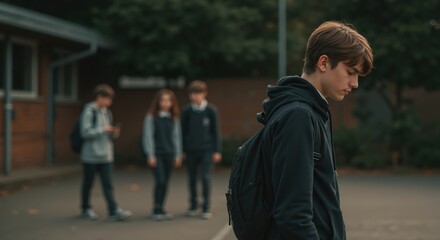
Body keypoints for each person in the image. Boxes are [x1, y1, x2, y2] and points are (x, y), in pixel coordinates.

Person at [262, 21, 373, 239]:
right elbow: (293, 214)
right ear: (323, 62)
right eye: (350, 72)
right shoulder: (299, 116)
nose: (355, 83)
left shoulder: (309, 110)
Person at [79, 84, 132, 221]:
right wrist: (103, 129)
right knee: (88, 183)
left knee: (108, 184)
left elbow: (109, 135)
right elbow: (85, 132)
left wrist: (114, 132)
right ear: (99, 97)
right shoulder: (89, 111)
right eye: (107, 99)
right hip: (90, 155)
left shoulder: (107, 112)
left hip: (106, 155)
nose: (109, 103)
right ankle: (86, 208)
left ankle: (113, 210)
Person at [181, 80, 222, 220]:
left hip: (207, 150)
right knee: (192, 179)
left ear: (204, 94)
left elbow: (216, 131)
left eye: (198, 93)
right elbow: (182, 132)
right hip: (191, 150)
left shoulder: (211, 110)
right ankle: (193, 205)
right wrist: (182, 150)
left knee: (205, 178)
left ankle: (206, 207)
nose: (195, 96)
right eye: (192, 94)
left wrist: (217, 150)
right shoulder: (186, 111)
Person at [142, 89, 182, 221]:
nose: (166, 103)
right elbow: (148, 137)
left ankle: (162, 209)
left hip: (169, 155)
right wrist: (150, 154)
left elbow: (177, 137)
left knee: (165, 183)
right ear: (158, 102)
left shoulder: (174, 118)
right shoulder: (151, 117)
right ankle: (156, 209)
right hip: (156, 155)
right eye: (163, 100)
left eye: (169, 100)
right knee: (160, 181)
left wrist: (178, 155)